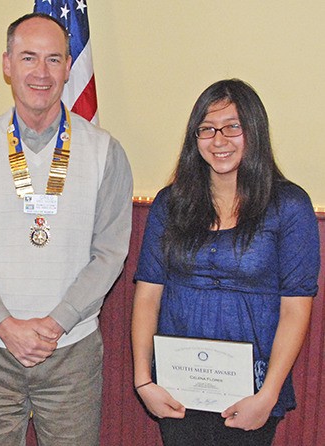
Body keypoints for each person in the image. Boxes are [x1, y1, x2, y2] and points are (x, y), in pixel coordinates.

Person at [0, 12, 133, 446]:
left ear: (69, 67)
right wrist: (7, 326)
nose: (41, 73)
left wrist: (56, 324)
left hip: (72, 354)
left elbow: (110, 253)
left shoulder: (106, 152)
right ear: (7, 64)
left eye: (53, 59)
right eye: (28, 57)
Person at [131, 79, 320, 445]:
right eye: (207, 129)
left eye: (233, 126)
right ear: (194, 137)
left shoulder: (289, 206)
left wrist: (267, 396)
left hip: (251, 395)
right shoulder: (170, 204)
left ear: (254, 131)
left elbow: (296, 308)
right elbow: (147, 294)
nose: (219, 140)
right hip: (176, 391)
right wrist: (143, 381)